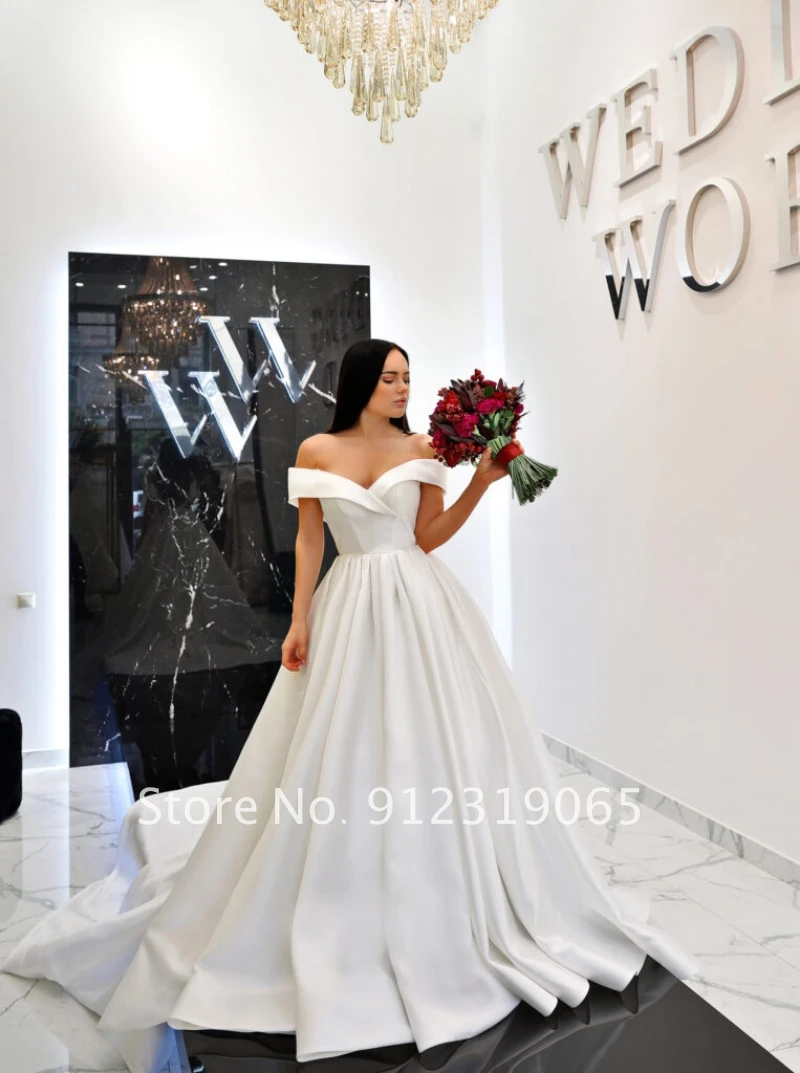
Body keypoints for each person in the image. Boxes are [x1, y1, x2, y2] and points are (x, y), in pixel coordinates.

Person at [2, 338, 698, 1073]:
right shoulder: (318, 449)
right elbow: (310, 541)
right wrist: (299, 619)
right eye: (391, 377)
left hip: (420, 608)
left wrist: (482, 482)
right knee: (339, 747)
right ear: (361, 382)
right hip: (349, 604)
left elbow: (427, 537)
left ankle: (445, 892)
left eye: (408, 377)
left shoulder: (426, 447)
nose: (403, 387)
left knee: (431, 743)